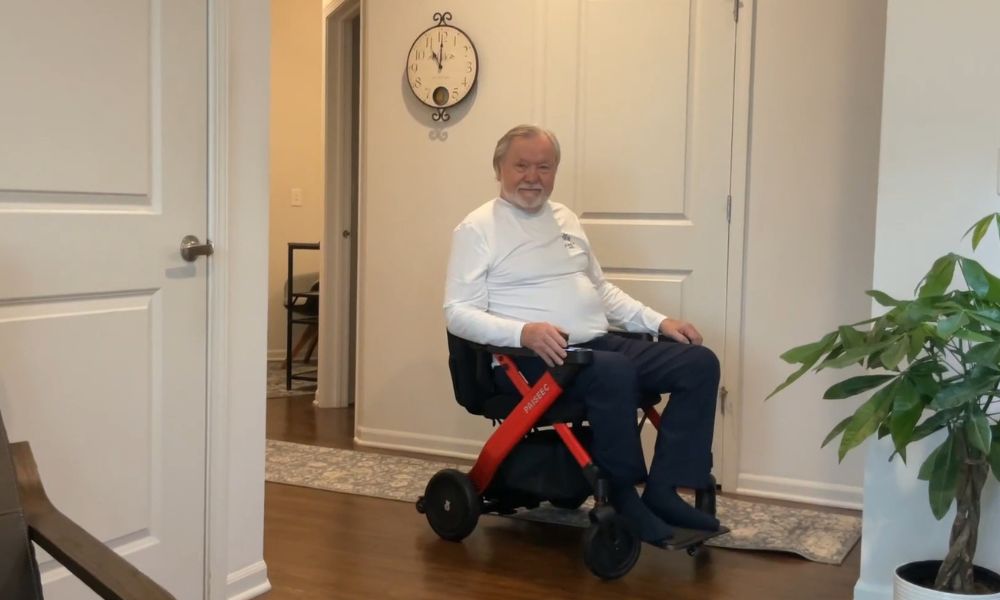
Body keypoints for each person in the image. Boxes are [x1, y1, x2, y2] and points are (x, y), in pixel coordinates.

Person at [443, 124, 721, 545]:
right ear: (499, 167)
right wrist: (524, 332)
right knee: (612, 372)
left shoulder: (566, 217)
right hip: (531, 360)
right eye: (521, 166)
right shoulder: (477, 228)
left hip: (594, 346)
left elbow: (600, 289)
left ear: (555, 171)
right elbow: (457, 314)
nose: (532, 177)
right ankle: (624, 498)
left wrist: (659, 322)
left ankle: (666, 490)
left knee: (698, 363)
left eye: (544, 167)